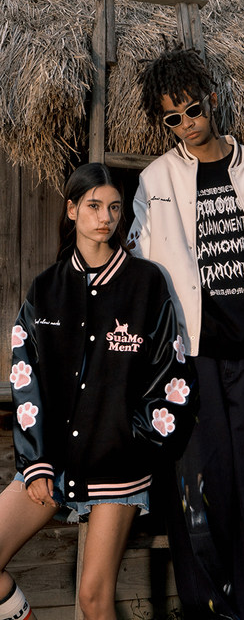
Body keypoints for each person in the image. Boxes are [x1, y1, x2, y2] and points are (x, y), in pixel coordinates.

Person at [128, 44, 244, 620]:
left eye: (192, 110)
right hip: (193, 361)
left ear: (210, 101)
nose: (186, 124)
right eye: (172, 118)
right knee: (201, 494)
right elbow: (140, 266)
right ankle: (211, 612)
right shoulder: (156, 179)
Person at [1, 163, 196, 620]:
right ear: (71, 210)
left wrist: (133, 440)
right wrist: (35, 460)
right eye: (93, 206)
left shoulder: (146, 283)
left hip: (117, 465)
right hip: (51, 459)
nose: (105, 217)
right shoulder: (46, 288)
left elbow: (173, 376)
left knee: (93, 598)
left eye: (114, 207)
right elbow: (24, 377)